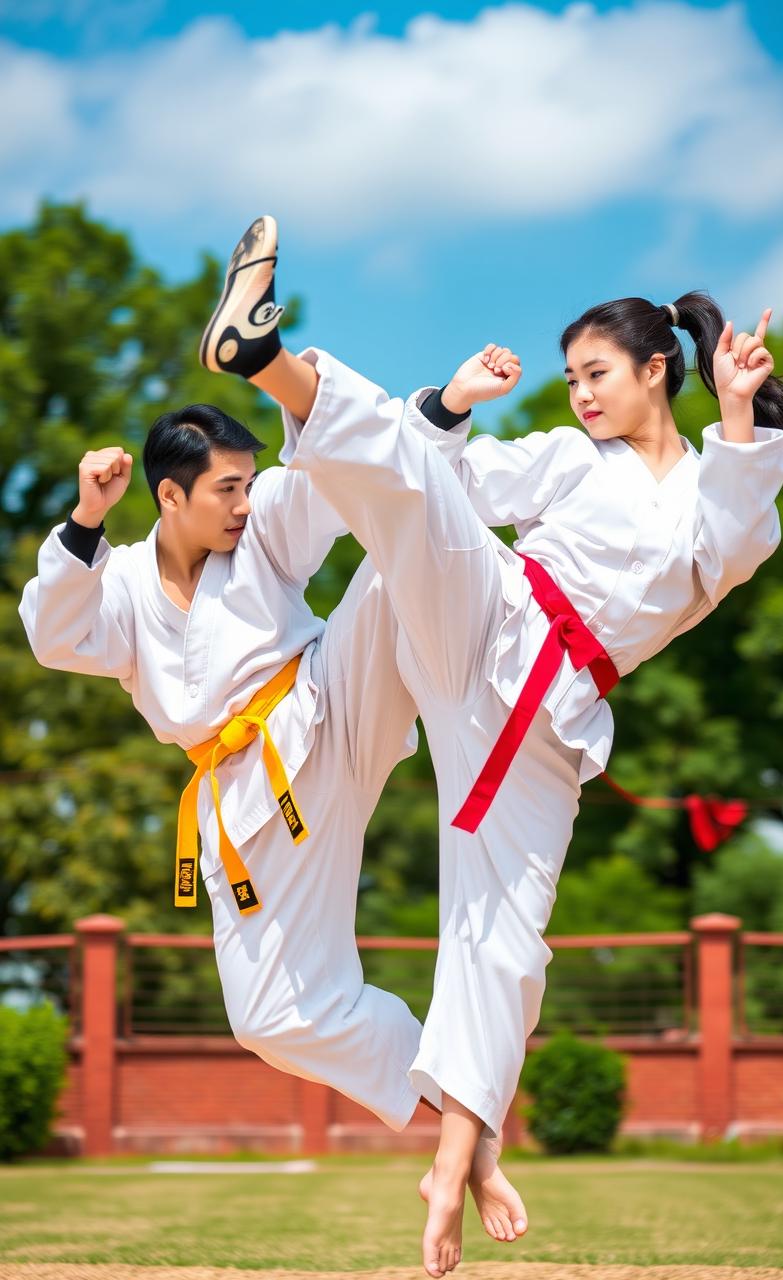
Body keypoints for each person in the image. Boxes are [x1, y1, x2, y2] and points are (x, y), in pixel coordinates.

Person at [201, 216, 783, 1278]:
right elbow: (453, 480)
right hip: (488, 614)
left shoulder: (724, 507)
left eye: (597, 373)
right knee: (419, 502)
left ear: (656, 369)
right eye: (572, 374)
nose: (579, 392)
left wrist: (733, 413)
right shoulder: (571, 462)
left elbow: (728, 532)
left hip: (552, 714)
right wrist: (441, 408)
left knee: (505, 938)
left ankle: (457, 1155)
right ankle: (264, 358)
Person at [18, 220, 527, 1235]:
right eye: (225, 489)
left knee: (398, 539)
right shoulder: (115, 586)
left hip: (329, 697)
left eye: (252, 484)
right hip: (245, 800)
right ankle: (466, 1128)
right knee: (273, 1017)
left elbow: (348, 480)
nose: (248, 504)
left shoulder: (270, 530)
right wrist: (80, 517)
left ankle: (280, 363)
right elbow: (50, 631)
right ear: (169, 496)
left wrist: (446, 402)